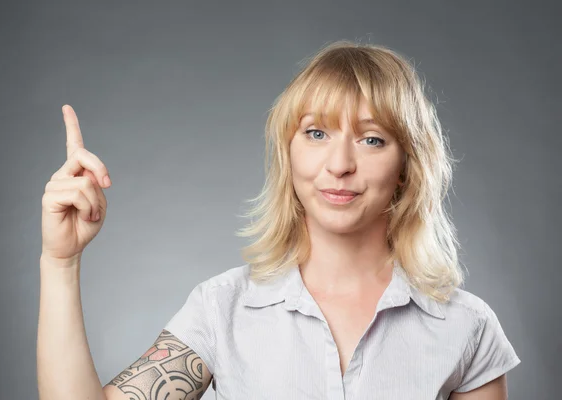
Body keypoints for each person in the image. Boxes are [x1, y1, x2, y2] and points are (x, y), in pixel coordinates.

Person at [37, 40, 521, 399]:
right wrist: (61, 262)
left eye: (372, 139)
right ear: (287, 154)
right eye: (316, 133)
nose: (339, 164)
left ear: (406, 167)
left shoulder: (466, 327)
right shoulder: (222, 308)